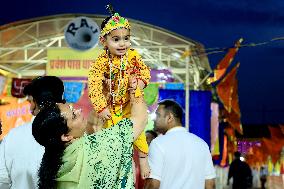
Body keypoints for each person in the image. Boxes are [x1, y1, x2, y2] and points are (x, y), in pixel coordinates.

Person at [32, 77, 148, 189]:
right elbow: (140, 118)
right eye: (73, 116)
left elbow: (94, 124)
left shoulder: (56, 161)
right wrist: (135, 89)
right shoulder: (97, 147)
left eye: (73, 109)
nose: (78, 111)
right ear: (66, 136)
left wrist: (103, 100)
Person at [88, 5, 151, 178]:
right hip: (110, 107)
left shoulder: (133, 55)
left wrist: (140, 82)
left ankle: (143, 158)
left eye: (126, 38)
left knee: (138, 132)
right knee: (112, 135)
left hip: (131, 102)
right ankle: (115, 166)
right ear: (104, 41)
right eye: (116, 39)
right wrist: (101, 107)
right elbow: (93, 84)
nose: (122, 43)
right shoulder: (101, 61)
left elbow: (146, 72)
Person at [0, 76, 65, 189]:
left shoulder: (13, 136)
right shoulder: (73, 134)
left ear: (34, 105)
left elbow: (2, 181)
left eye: (30, 101)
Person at [144, 99, 216, 189]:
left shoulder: (158, 144)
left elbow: (153, 185)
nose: (153, 119)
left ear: (169, 118)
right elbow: (210, 184)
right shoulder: (202, 144)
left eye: (157, 115)